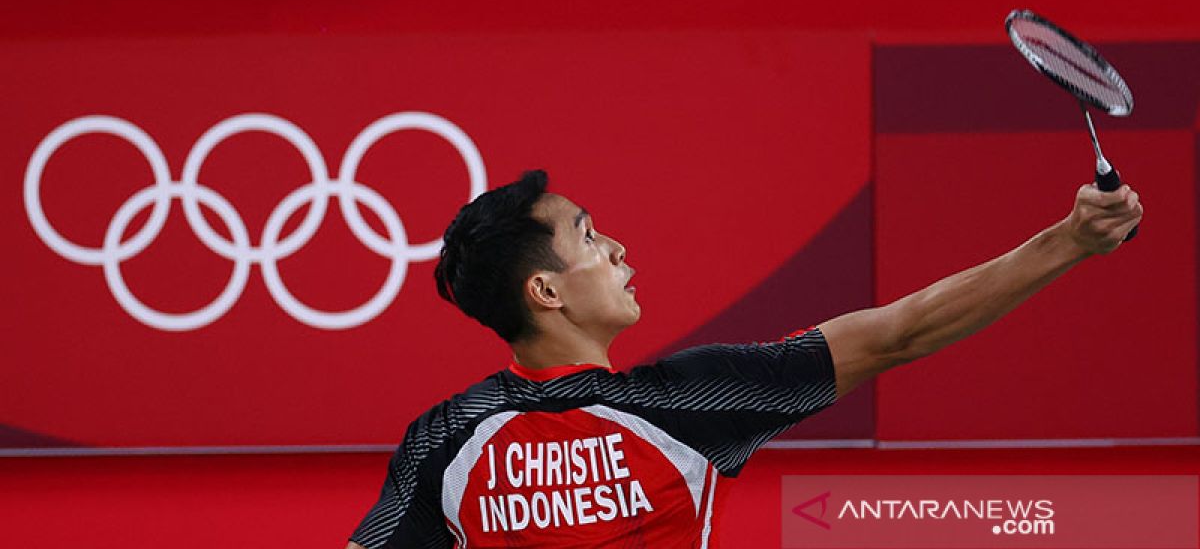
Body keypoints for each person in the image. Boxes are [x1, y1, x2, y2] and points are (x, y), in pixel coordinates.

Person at [346, 169, 1142, 548]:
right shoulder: (686, 404)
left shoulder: (444, 437)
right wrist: (1069, 240)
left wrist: (1067, 240)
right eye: (590, 235)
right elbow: (904, 332)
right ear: (547, 291)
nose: (619, 249)